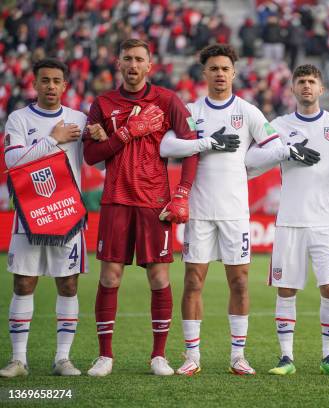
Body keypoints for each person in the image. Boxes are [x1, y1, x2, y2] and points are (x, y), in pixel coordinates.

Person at [159, 44, 310, 376]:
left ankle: (237, 356)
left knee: (240, 282)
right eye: (213, 68)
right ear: (204, 73)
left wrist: (283, 154)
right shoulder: (190, 110)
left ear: (233, 73)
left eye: (224, 69)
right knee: (193, 282)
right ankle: (192, 356)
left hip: (235, 212)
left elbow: (270, 148)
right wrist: (206, 143)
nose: (219, 74)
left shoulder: (248, 111)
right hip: (197, 210)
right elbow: (166, 145)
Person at [83, 39, 198, 377]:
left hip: (154, 203)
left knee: (159, 277)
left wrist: (182, 192)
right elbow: (91, 156)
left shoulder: (167, 100)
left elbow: (191, 148)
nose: (133, 65)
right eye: (127, 59)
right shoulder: (103, 103)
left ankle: (158, 356)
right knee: (110, 276)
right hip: (116, 198)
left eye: (139, 60)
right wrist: (125, 134)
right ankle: (105, 356)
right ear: (118, 63)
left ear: (150, 65)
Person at [244, 64, 329, 376]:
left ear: (322, 89)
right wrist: (285, 152)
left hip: (326, 221)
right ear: (292, 88)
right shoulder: (278, 124)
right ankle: (286, 358)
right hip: (289, 220)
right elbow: (250, 161)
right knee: (286, 290)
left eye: (312, 82)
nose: (306, 86)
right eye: (301, 82)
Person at [0, 58, 87, 377]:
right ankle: (18, 360)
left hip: (67, 215)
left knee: (68, 284)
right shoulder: (18, 119)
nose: (51, 86)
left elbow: (96, 161)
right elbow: (12, 160)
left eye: (56, 81)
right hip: (29, 214)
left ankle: (63, 358)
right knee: (23, 283)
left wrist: (100, 134)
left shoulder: (79, 118)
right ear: (34, 84)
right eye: (45, 80)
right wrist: (53, 139)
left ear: (65, 86)